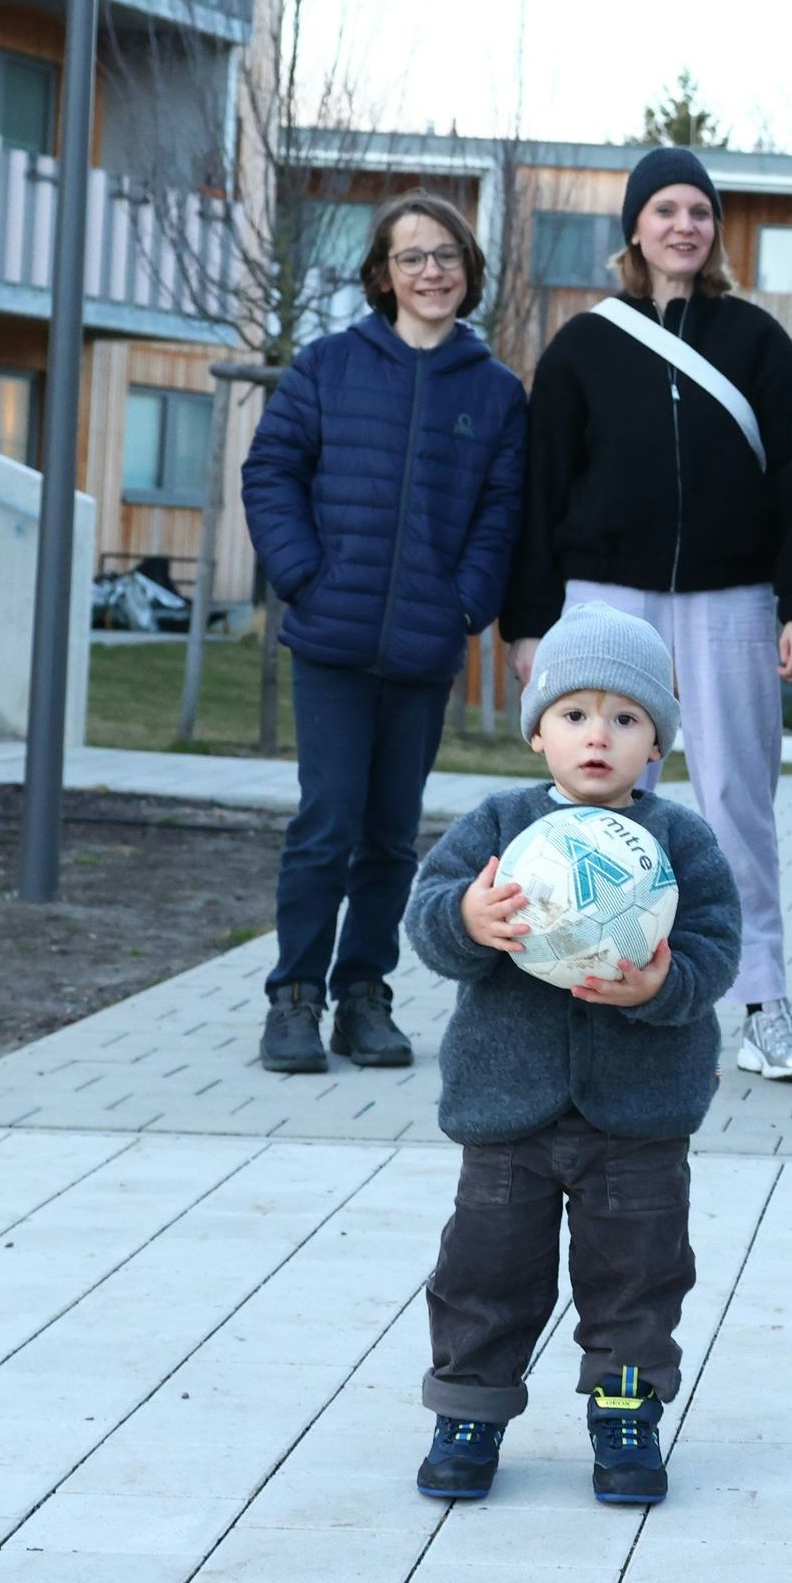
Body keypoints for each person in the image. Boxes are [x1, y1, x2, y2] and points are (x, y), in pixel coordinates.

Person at [398, 601, 742, 1507]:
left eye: (626, 719)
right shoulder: (500, 825)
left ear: (655, 743)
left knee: (638, 1272)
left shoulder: (679, 842)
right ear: (539, 733)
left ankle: (625, 1414)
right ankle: (468, 1408)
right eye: (576, 715)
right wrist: (468, 921)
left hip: (638, 1118)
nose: (600, 736)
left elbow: (714, 951)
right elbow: (431, 921)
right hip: (508, 1109)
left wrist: (662, 988)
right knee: (485, 1268)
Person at [504, 146, 792, 1086]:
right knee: (595, 796)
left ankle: (758, 998)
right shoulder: (582, 347)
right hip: (606, 599)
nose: (683, 224)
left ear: (712, 229)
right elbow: (539, 491)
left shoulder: (758, 342)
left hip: (733, 599)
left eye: (698, 211)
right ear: (635, 229)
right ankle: (584, 989)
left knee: (735, 804)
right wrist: (528, 623)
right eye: (665, 210)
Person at [237, 195, 530, 1076]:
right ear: (382, 274)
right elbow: (270, 473)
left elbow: (501, 513)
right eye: (411, 258)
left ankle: (365, 996)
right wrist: (303, 576)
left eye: (446, 256)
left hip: (422, 647)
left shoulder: (496, 391)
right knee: (326, 822)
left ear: (469, 271)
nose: (431, 272)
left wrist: (464, 604)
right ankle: (295, 997)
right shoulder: (328, 367)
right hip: (331, 636)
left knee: (393, 835)